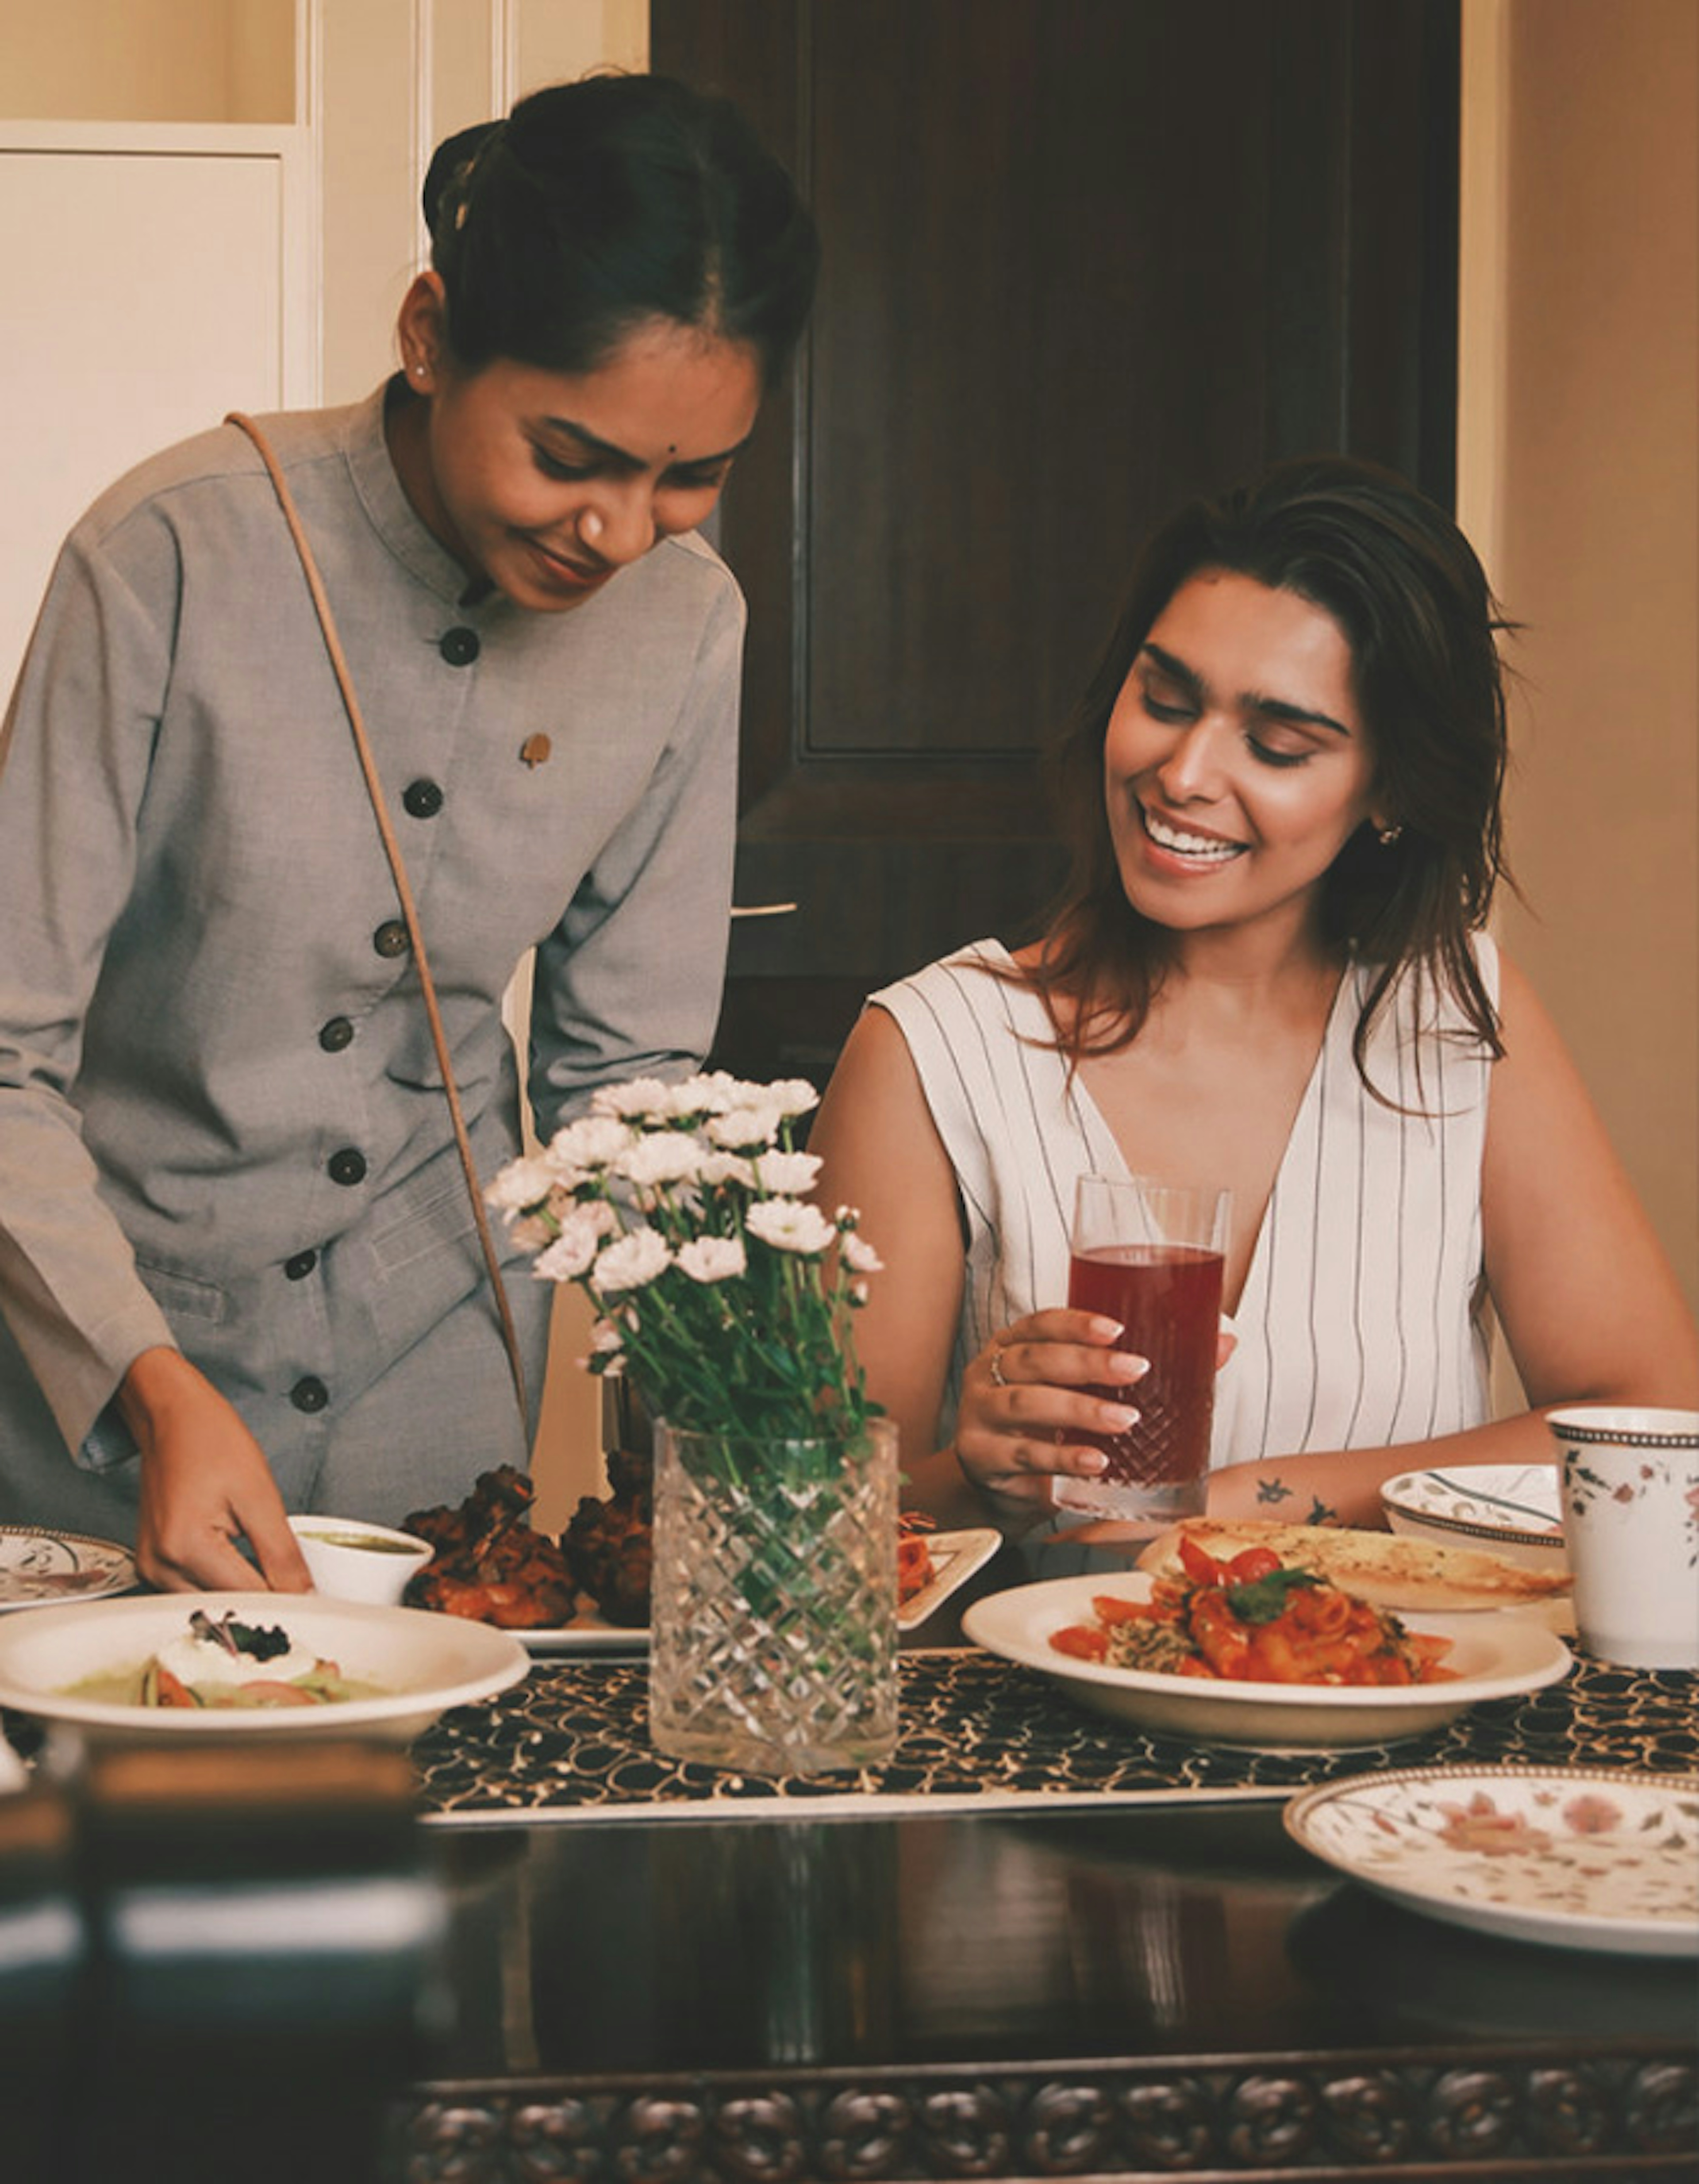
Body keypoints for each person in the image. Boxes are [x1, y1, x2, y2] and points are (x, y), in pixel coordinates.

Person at [0, 73, 818, 1592]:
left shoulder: (694, 627)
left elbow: (630, 1078)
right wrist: (149, 1381)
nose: (622, 531)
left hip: (441, 1381)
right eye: (572, 456)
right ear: (431, 333)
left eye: (690, 475)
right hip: (98, 1396)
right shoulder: (169, 551)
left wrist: (723, 1429)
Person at [808, 457, 1699, 1562]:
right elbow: (809, 1531)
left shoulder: (1459, 1025)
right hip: (1041, 1723)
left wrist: (1260, 1500)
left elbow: (1649, 1429)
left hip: (1404, 1705)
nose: (1183, 773)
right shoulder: (932, 1049)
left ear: (1386, 791)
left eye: (1277, 745)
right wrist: (980, 1471)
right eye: (1164, 701)